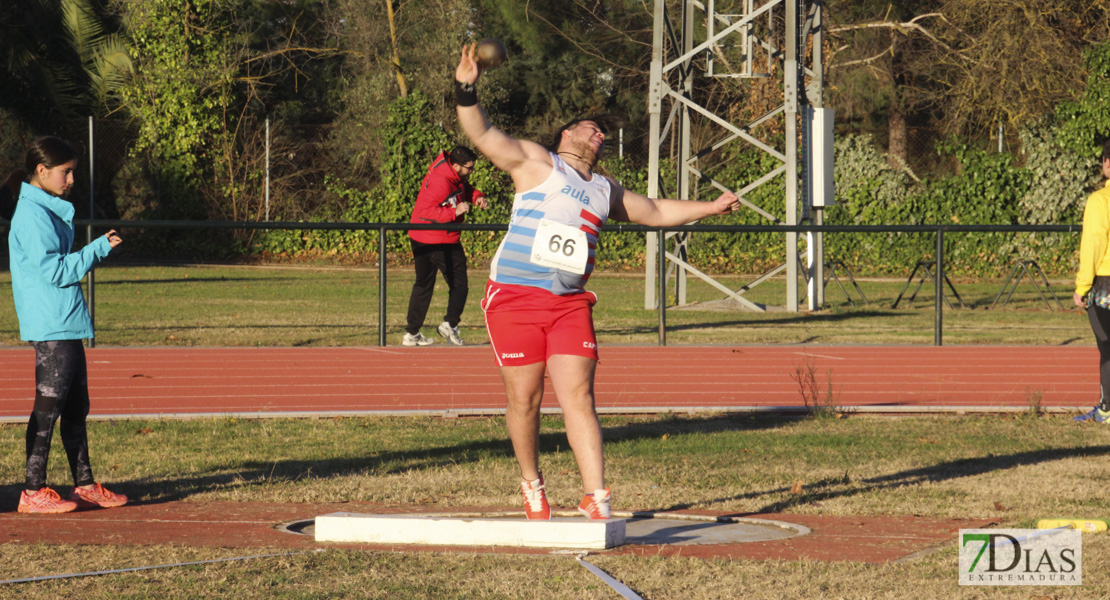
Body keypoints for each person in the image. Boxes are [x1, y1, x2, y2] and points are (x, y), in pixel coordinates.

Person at [453, 44, 741, 519]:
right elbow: (480, 132)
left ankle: (596, 496)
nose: (600, 134)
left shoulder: (604, 190)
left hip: (568, 304)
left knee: (579, 397)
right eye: (592, 127)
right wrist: (467, 86)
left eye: (604, 133)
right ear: (567, 132)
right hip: (515, 300)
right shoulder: (536, 162)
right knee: (524, 400)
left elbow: (654, 211)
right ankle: (532, 483)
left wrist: (709, 207)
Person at [5, 136, 128, 513]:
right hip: (51, 322)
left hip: (64, 321)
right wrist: (97, 249)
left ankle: (85, 484)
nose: (71, 179)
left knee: (76, 406)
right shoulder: (32, 214)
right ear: (41, 172)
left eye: (72, 171)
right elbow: (54, 271)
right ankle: (32, 490)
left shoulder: (46, 209)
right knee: (49, 406)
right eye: (66, 171)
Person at [402, 146, 488, 347]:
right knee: (460, 285)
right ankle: (449, 324)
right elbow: (425, 211)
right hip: (437, 240)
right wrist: (454, 212)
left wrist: (476, 196)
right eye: (469, 168)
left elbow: (462, 188)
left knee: (423, 285)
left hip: (425, 236)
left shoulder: (451, 174)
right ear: (456, 165)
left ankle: (412, 333)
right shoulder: (441, 181)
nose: (471, 172)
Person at [1075, 139, 1110, 422]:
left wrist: (1082, 286)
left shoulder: (1100, 201)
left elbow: (1094, 244)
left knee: (1108, 348)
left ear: (1106, 164)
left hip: (1105, 285)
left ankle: (1107, 408)